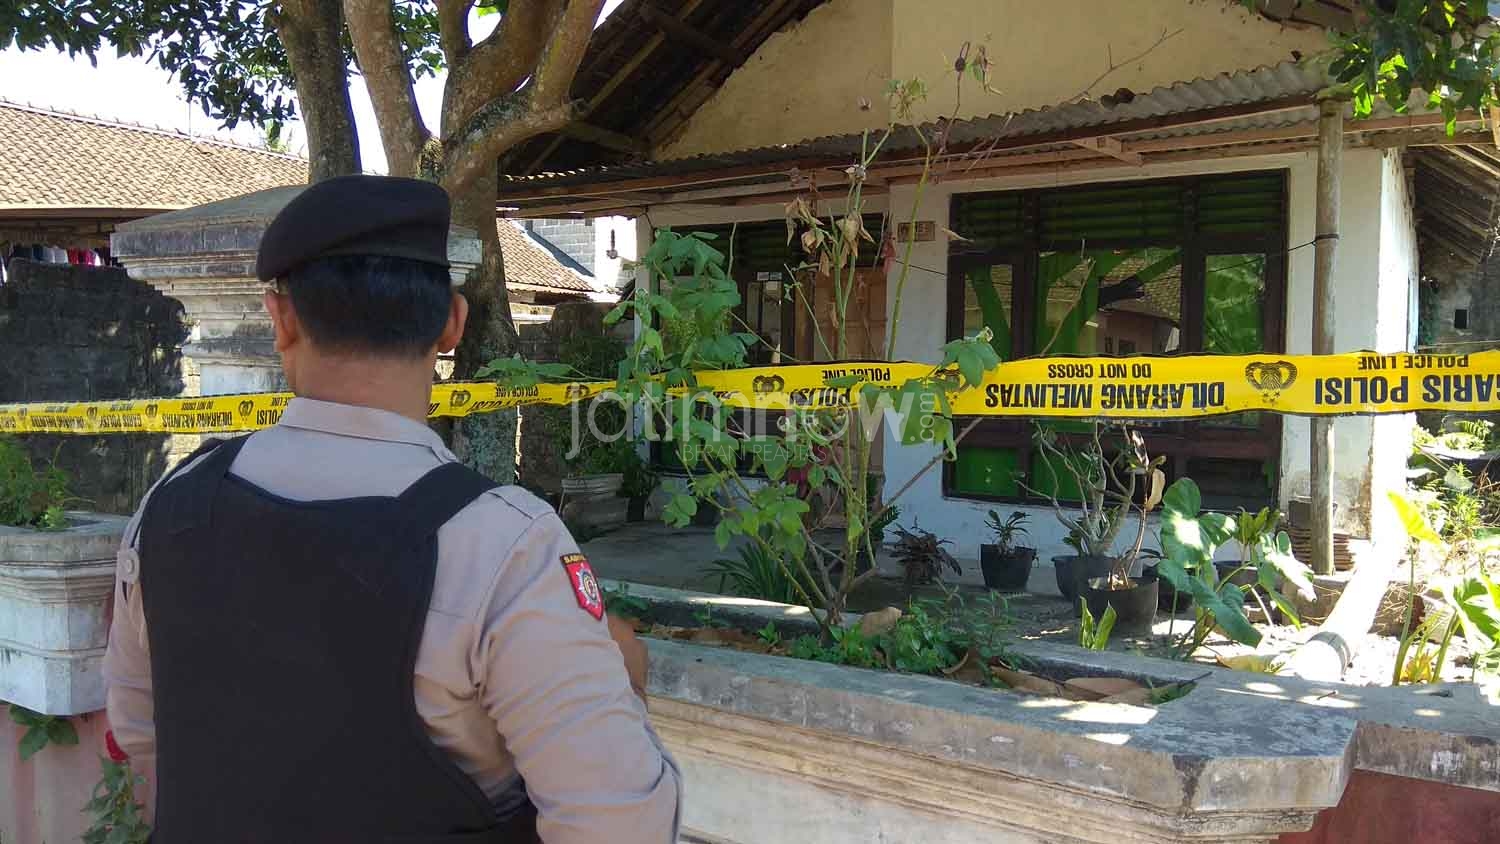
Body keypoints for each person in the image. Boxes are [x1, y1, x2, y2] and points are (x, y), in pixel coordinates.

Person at [103, 175, 680, 843]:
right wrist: (627, 690)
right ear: (451, 324)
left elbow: (142, 738)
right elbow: (618, 821)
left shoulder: (173, 505)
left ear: (280, 320)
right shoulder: (500, 543)